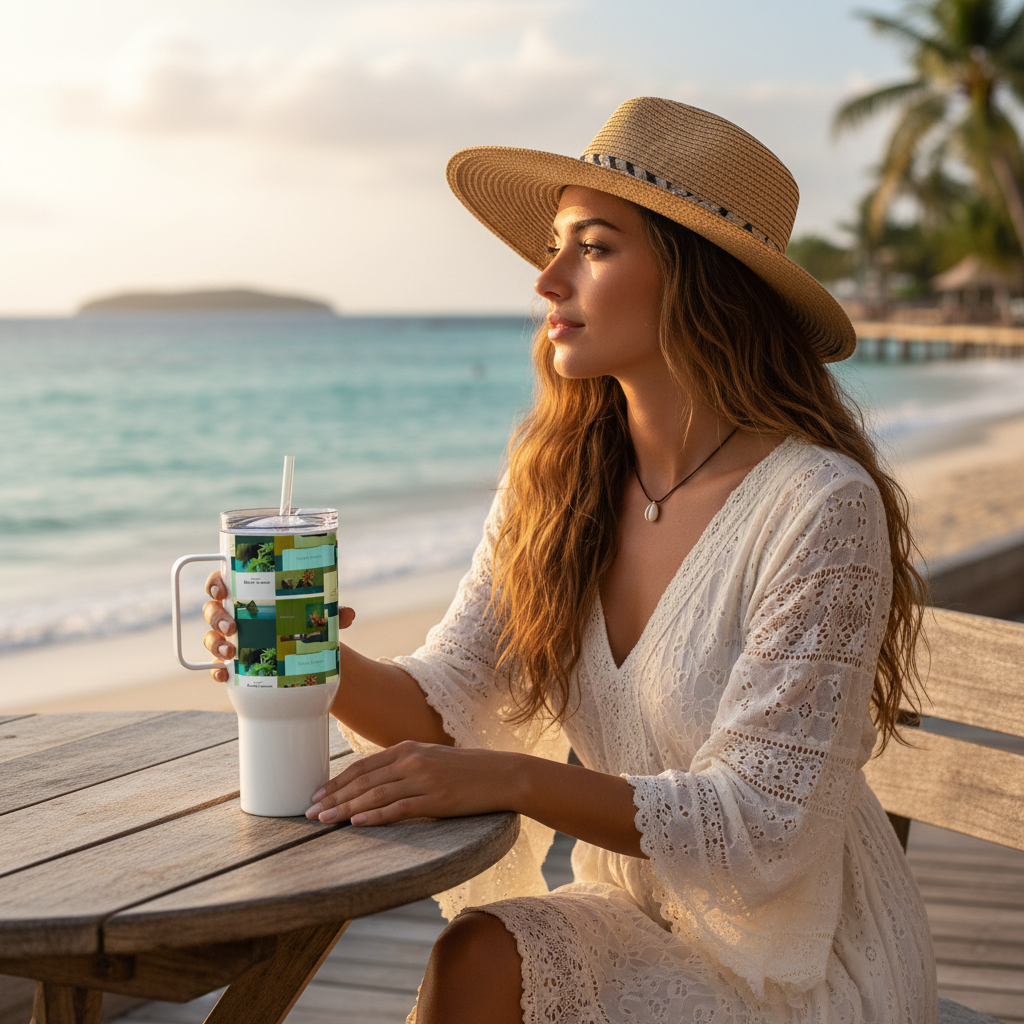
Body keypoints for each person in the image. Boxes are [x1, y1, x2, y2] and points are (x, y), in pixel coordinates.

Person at [203, 97, 937, 1023]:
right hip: (638, 912)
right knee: (478, 951)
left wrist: (517, 780)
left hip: (803, 968)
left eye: (592, 247)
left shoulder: (820, 507)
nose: (547, 280)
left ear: (697, 278)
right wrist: (301, 652)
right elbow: (457, 697)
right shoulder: (557, 480)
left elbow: (764, 820)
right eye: (555, 246)